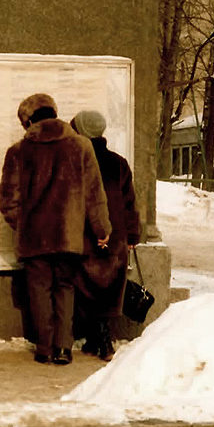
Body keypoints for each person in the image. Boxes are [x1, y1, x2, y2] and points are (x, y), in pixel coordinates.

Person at [0, 94, 111, 365]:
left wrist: (22, 223)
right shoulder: (81, 146)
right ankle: (63, 348)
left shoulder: (18, 151)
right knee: (65, 288)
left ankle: (44, 348)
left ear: (28, 120)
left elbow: (8, 200)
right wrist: (101, 228)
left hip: (34, 237)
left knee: (38, 290)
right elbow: (94, 195)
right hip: (69, 235)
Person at [70, 110, 140, 362]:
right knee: (108, 287)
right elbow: (129, 201)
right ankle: (98, 340)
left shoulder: (77, 160)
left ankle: (101, 339)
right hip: (116, 234)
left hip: (87, 232)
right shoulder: (118, 162)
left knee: (86, 285)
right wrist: (132, 234)